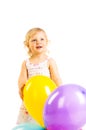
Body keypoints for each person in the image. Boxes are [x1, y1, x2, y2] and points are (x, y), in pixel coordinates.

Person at [17, 27, 62, 124]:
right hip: (31, 100)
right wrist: (24, 99)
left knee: (47, 122)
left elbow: (56, 79)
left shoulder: (49, 61)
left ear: (46, 42)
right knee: (30, 124)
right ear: (27, 45)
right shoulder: (26, 63)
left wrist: (59, 95)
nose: (38, 42)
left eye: (42, 39)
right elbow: (21, 82)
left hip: (47, 99)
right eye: (34, 40)